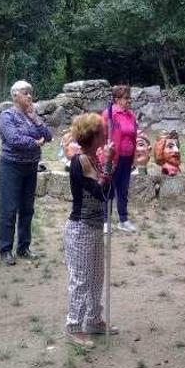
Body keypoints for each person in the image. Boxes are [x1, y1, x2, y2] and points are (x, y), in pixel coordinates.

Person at [63, 113, 117, 349]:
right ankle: (73, 327)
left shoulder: (93, 159)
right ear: (93, 135)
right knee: (81, 279)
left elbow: (110, 192)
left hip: (95, 226)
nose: (106, 134)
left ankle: (93, 320)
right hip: (81, 228)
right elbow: (99, 191)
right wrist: (107, 162)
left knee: (96, 276)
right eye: (102, 131)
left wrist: (107, 162)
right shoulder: (80, 162)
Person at [0, 80, 53, 266]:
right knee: (9, 209)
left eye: (30, 92)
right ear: (15, 96)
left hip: (31, 166)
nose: (30, 96)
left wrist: (35, 118)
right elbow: (13, 139)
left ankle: (23, 247)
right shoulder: (6, 116)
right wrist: (35, 142)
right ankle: (5, 250)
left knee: (27, 209)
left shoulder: (32, 116)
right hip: (11, 166)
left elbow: (49, 135)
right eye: (25, 92)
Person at [102, 85, 139, 233]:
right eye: (126, 98)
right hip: (113, 158)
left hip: (127, 158)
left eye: (130, 97)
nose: (129, 100)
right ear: (117, 99)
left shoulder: (131, 115)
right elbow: (102, 136)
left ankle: (123, 220)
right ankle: (105, 220)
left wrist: (134, 156)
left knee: (123, 190)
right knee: (109, 188)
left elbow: (134, 136)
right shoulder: (109, 114)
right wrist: (105, 155)